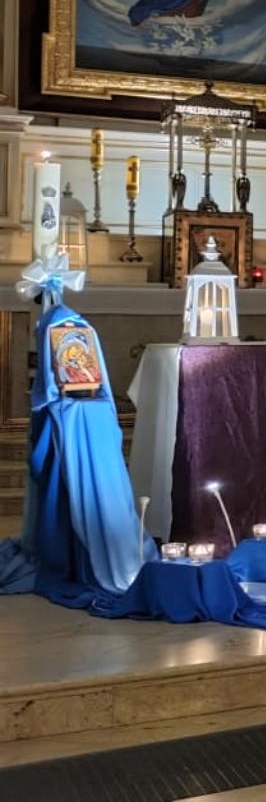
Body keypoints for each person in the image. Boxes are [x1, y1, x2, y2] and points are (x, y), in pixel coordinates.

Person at [0, 248, 153, 604]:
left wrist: (50, 398)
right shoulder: (71, 322)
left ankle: (69, 553)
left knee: (61, 483)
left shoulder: (55, 324)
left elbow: (53, 384)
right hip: (86, 411)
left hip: (68, 410)